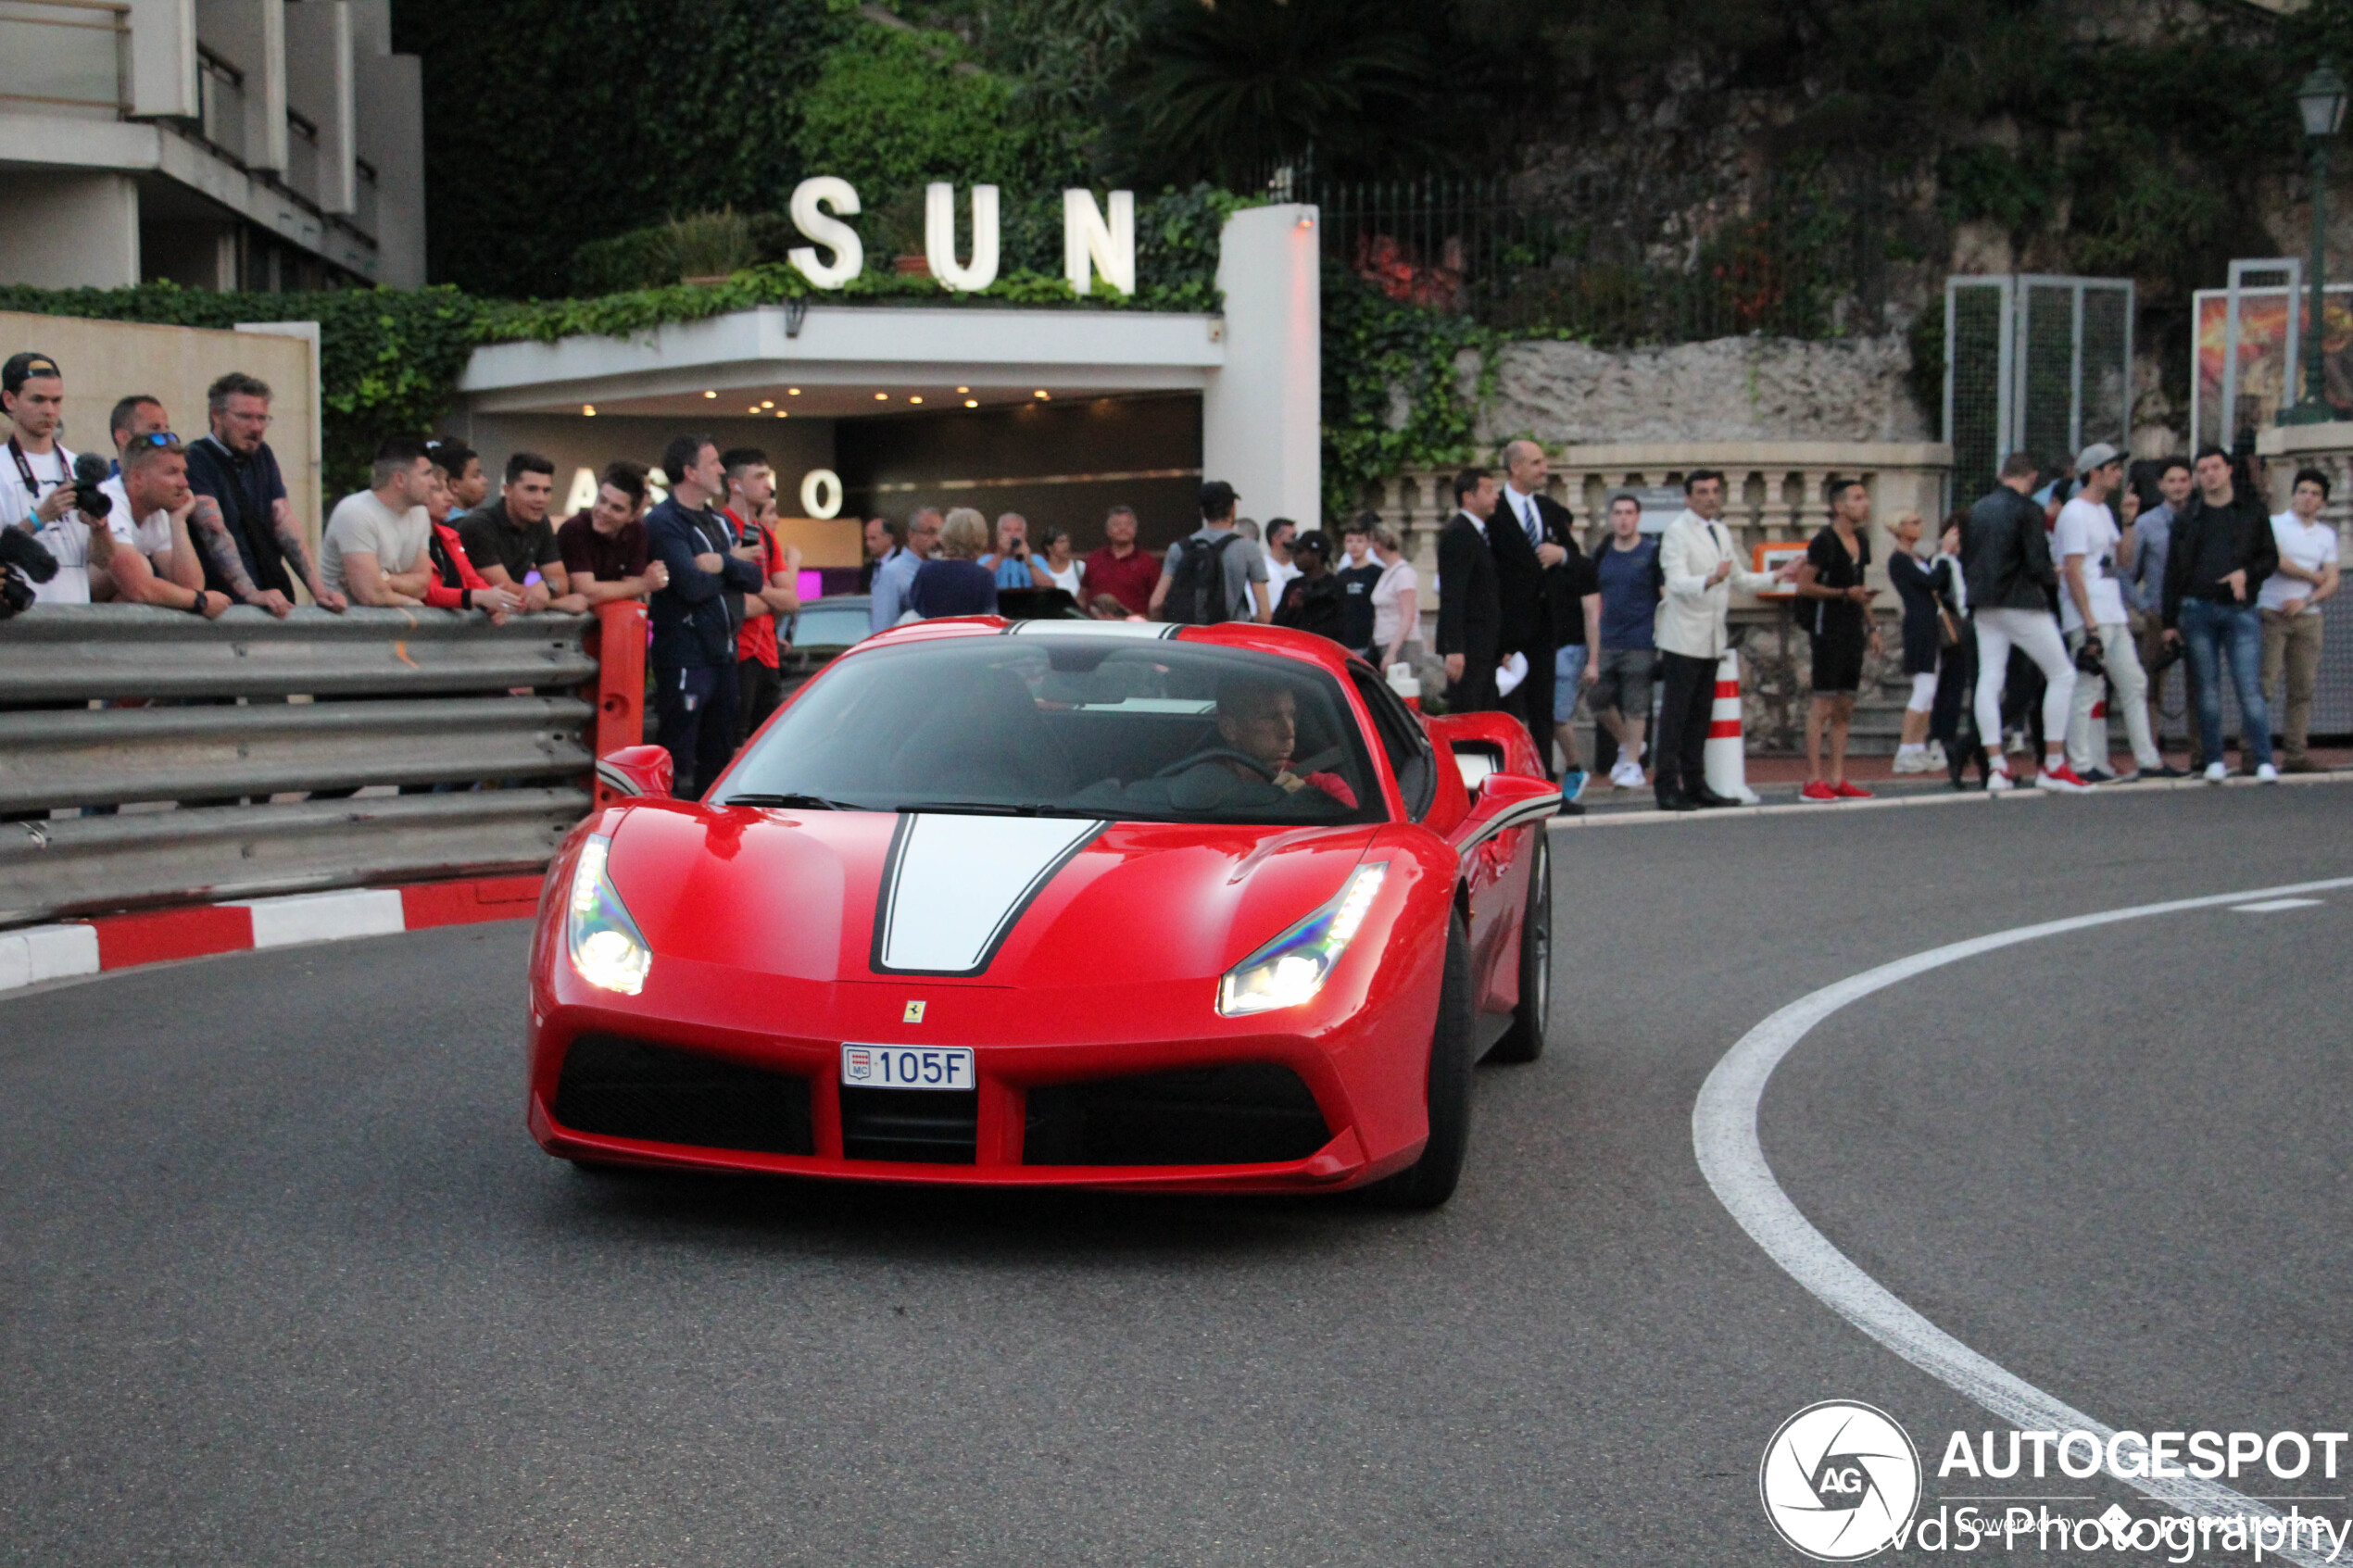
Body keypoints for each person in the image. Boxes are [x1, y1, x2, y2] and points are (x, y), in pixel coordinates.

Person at [1655, 470, 1794, 810]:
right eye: (1702, 492)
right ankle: (1667, 787)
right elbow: (1676, 583)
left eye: (1715, 491)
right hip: (1682, 637)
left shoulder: (1720, 531)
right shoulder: (1677, 532)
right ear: (1688, 498)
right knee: (1676, 717)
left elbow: (1741, 579)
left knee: (1701, 716)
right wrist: (1710, 578)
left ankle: (1696, 783)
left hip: (1711, 638)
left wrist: (1777, 576)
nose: (1710, 497)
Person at [647, 433, 768, 799]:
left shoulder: (721, 521)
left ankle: (708, 834)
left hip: (723, 655)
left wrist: (721, 562)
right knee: (679, 755)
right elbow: (690, 586)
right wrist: (731, 567)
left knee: (719, 755)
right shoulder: (664, 522)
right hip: (686, 655)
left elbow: (755, 576)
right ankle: (670, 833)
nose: (720, 469)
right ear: (689, 472)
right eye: (712, 462)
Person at [1965, 453, 2088, 793]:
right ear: (2031, 477)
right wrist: (2054, 574)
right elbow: (2036, 564)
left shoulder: (1977, 510)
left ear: (2002, 473)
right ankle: (2053, 762)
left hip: (1983, 603)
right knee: (2062, 674)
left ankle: (1996, 766)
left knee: (1989, 679)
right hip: (2021, 603)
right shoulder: (2028, 510)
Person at [182, 371, 346, 615]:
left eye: (262, 418)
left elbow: (283, 522)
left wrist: (320, 591)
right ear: (216, 415)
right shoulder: (196, 458)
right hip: (218, 607)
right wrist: (251, 594)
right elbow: (213, 529)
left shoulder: (262, 456)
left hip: (271, 599)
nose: (256, 427)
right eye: (245, 417)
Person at [2162, 445, 2280, 783]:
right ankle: (2214, 758)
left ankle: (2263, 760)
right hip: (2197, 609)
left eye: (2215, 467)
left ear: (2229, 470)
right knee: (2207, 690)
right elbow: (2172, 571)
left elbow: (2269, 558)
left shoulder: (2251, 512)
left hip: (2240, 609)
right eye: (2203, 469)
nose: (2209, 474)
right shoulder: (2188, 517)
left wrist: (2247, 573)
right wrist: (2169, 622)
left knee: (2249, 688)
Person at [2054, 443, 2160, 784]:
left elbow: (2124, 560)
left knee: (2133, 682)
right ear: (2095, 472)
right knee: (2087, 687)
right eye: (2113, 468)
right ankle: (2082, 762)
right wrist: (2088, 622)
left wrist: (2129, 520)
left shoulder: (2102, 511)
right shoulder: (2074, 513)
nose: (2119, 474)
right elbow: (2072, 569)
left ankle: (2148, 758)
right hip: (2092, 612)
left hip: (2110, 608)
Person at [1793, 475, 1883, 801]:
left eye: (1864, 497)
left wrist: (1872, 627)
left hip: (1852, 629)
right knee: (1823, 704)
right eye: (1858, 498)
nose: (1866, 503)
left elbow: (1861, 589)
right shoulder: (1824, 541)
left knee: (1845, 705)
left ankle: (1837, 777)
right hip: (1826, 629)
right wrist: (1844, 593)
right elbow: (1804, 585)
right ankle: (1813, 778)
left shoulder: (1862, 540)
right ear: (1839, 506)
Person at [1494, 440, 1571, 782]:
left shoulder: (1550, 510)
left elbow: (1580, 564)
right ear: (1516, 468)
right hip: (1507, 629)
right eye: (1537, 463)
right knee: (1506, 711)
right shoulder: (1494, 511)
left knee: (1543, 709)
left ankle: (1545, 783)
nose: (1544, 469)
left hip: (1544, 628)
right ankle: (1506, 784)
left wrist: (1562, 555)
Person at [1162, 677, 1356, 813]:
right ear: (1229, 728)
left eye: (1291, 716)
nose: (1288, 731)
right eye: (1270, 717)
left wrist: (1308, 803)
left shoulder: (1326, 789)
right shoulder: (1194, 789)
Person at [2259, 467, 2340, 773]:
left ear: (2322, 502)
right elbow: (2276, 560)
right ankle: (2252, 750)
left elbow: (2332, 581)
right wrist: (2312, 576)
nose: (2307, 498)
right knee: (2264, 684)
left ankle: (2295, 753)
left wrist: (2307, 599)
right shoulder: (2275, 524)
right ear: (2293, 495)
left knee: (2302, 688)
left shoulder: (2326, 535)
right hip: (2272, 611)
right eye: (2302, 491)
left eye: (2315, 494)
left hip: (2308, 617)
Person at [721, 447, 802, 742]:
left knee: (763, 744)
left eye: (767, 476)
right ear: (735, 484)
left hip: (768, 655)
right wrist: (768, 598)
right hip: (737, 654)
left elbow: (792, 601)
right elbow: (737, 606)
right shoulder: (721, 528)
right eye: (759, 477)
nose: (768, 484)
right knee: (735, 744)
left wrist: (759, 593)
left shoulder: (765, 535)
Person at [2123, 457, 2196, 772]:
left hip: (2195, 612)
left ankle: (2202, 755)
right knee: (2152, 688)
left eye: (2183, 480)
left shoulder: (2202, 518)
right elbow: (2126, 572)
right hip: (2157, 615)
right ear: (2161, 486)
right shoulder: (2146, 523)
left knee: (2200, 685)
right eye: (2172, 480)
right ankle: (2150, 754)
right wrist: (2143, 606)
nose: (2178, 486)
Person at [1589, 491, 1660, 790]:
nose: (1623, 518)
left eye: (1629, 512)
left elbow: (1664, 594)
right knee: (1596, 698)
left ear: (1638, 516)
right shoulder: (1603, 552)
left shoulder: (1651, 552)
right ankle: (1628, 745)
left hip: (1640, 639)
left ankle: (1632, 764)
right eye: (1617, 513)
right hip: (1606, 638)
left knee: (1636, 704)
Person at [459, 452, 585, 613]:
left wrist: (546, 587)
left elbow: (561, 582)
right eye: (531, 489)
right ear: (508, 490)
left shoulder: (541, 522)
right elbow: (502, 590)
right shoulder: (479, 525)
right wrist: (555, 604)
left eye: (546, 491)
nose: (541, 498)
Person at [320, 436, 438, 607]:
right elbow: (371, 595)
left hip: (393, 628)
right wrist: (416, 605)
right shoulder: (355, 512)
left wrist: (383, 578)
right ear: (400, 480)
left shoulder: (419, 513)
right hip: (348, 629)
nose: (434, 483)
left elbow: (423, 585)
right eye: (427, 474)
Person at [1885, 509, 1955, 775]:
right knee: (1923, 689)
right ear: (1900, 528)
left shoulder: (1917, 557)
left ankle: (1916, 748)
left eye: (1919, 520)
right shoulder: (1899, 560)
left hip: (1929, 623)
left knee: (1929, 688)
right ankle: (1905, 750)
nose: (1920, 526)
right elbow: (1931, 581)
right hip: (1918, 625)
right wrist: (1945, 555)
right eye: (1914, 522)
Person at [1151, 481, 1271, 624]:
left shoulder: (1179, 548)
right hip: (1229, 638)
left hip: (1189, 639)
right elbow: (1264, 615)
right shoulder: (1248, 548)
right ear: (1233, 508)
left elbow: (1155, 604)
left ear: (1202, 511)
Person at [1436, 469, 1504, 713]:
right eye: (1488, 491)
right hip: (1469, 645)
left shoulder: (1478, 533)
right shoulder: (1459, 534)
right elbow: (1453, 593)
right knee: (1468, 711)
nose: (1495, 496)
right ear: (1468, 497)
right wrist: (1455, 648)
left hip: (1483, 644)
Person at [555, 460, 670, 606]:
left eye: (617, 508)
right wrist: (644, 584)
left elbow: (631, 594)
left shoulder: (637, 531)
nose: (604, 511)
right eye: (602, 501)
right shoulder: (574, 528)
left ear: (632, 516)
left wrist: (635, 587)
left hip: (616, 622)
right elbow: (586, 593)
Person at [418, 464, 520, 621]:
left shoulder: (449, 535)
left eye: (448, 489)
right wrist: (477, 596)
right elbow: (426, 591)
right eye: (438, 490)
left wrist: (493, 602)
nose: (450, 497)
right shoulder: (409, 538)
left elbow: (472, 579)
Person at [907, 507, 999, 619]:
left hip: (932, 634)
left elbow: (915, 607)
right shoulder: (983, 576)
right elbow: (990, 618)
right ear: (980, 538)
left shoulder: (926, 570)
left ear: (946, 534)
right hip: (968, 635)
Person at [871, 506, 939, 633]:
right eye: (930, 532)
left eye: (940, 533)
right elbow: (883, 629)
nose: (937, 539)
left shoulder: (939, 569)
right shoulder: (892, 572)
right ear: (911, 535)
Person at [1081, 505, 1159, 617]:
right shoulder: (1094, 559)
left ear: (1135, 530)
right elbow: (1083, 596)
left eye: (1128, 524)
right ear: (1108, 530)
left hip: (1134, 629)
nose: (1123, 528)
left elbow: (1157, 603)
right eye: (1117, 525)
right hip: (1097, 628)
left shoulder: (1148, 563)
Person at [1272, 532, 1345, 642]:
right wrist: (1292, 608)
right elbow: (1277, 624)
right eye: (1294, 551)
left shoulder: (1336, 586)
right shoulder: (1293, 585)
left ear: (1317, 555)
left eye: (1300, 552)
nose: (1294, 556)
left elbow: (1339, 627)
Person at [1368, 522, 1419, 672]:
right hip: (1384, 641)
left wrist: (1392, 652)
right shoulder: (1387, 572)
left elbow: (1407, 615)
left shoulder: (1403, 573)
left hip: (1402, 645)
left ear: (1379, 544)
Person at [1334, 515, 1384, 658]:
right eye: (1349, 541)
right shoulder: (1342, 575)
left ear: (1368, 544)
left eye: (1359, 541)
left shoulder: (1376, 573)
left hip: (1369, 638)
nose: (1354, 545)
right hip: (1346, 639)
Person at [979, 511, 1048, 591]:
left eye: (1018, 530)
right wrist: (1000, 555)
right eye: (1007, 530)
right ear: (998, 535)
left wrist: (1029, 562)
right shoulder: (985, 559)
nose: (1012, 535)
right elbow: (977, 581)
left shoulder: (1037, 560)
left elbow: (1050, 587)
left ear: (1025, 535)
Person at [106, 394, 169, 476]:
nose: (166, 439)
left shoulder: (176, 485)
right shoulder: (105, 488)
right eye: (154, 428)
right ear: (123, 438)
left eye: (167, 430)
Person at [1036, 525, 1085, 596]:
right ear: (1049, 547)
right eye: (1061, 542)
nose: (1066, 545)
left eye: (1067, 541)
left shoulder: (1080, 567)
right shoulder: (1041, 570)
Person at [859, 514, 902, 593]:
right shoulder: (868, 569)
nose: (868, 544)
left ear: (889, 538)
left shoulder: (903, 563)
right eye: (867, 539)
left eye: (873, 538)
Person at [1263, 517, 1302, 599]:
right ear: (1276, 539)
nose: (1297, 541)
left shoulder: (1300, 569)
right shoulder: (1262, 567)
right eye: (1293, 537)